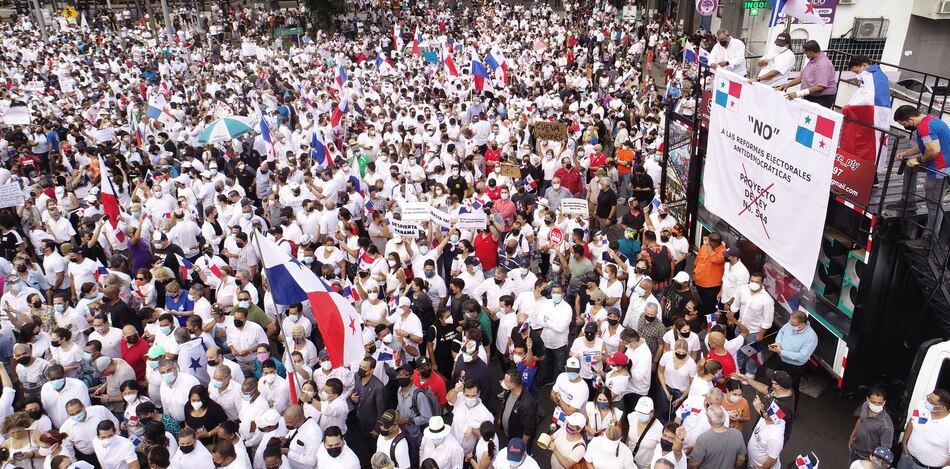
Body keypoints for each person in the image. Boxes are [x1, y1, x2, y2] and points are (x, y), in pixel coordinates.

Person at [894, 104, 950, 249]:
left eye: (904, 124)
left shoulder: (925, 128)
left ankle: (929, 239)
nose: (905, 126)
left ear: (910, 119)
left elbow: (933, 150)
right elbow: (923, 145)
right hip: (940, 164)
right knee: (909, 167)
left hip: (940, 170)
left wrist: (918, 160)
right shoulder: (931, 121)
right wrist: (907, 154)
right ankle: (908, 201)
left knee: (933, 204)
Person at [769, 311, 818, 409]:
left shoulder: (811, 337)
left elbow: (802, 356)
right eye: (790, 323)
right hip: (781, 360)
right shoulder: (790, 323)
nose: (791, 325)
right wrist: (778, 342)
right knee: (774, 382)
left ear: (803, 324)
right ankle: (771, 403)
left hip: (793, 367)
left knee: (790, 389)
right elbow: (782, 331)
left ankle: (789, 411)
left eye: (794, 324)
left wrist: (782, 352)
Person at [777, 40, 837, 108]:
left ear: (810, 53)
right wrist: (787, 85)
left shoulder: (823, 65)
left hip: (821, 99)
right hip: (809, 95)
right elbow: (802, 77)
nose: (805, 55)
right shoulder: (813, 60)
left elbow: (820, 86)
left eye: (806, 53)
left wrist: (798, 94)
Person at [899, 389, 950, 469]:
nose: (926, 402)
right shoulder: (921, 405)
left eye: (931, 402)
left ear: (941, 407)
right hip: (906, 457)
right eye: (928, 398)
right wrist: (904, 443)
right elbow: (911, 422)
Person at [849, 387, 895, 463]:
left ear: (884, 402)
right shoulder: (865, 406)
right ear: (867, 399)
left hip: (867, 459)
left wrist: (870, 461)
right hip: (854, 450)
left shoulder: (886, 426)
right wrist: (852, 436)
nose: (876, 405)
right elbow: (860, 420)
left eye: (879, 403)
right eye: (873, 402)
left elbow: (885, 449)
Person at [745, 395, 786, 469]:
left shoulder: (774, 438)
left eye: (765, 411)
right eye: (762, 409)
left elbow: (772, 460)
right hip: (753, 463)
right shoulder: (770, 417)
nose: (764, 413)